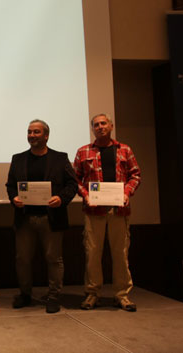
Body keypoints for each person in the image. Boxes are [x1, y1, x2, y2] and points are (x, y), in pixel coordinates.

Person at [6, 119, 78, 314]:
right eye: (29, 132)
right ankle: (25, 294)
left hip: (51, 218)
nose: (32, 135)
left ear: (46, 135)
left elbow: (72, 184)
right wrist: (14, 198)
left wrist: (61, 199)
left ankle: (54, 296)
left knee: (54, 259)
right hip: (25, 218)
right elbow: (10, 185)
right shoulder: (18, 159)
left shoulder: (60, 158)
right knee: (22, 259)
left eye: (36, 132)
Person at [73, 113, 141, 312]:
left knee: (120, 254)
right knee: (92, 254)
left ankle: (122, 295)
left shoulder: (125, 150)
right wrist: (85, 194)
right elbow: (74, 179)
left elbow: (135, 175)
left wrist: (127, 193)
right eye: (96, 125)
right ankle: (92, 294)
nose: (100, 127)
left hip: (119, 210)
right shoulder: (83, 151)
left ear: (111, 126)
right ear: (92, 129)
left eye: (103, 123)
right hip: (93, 210)